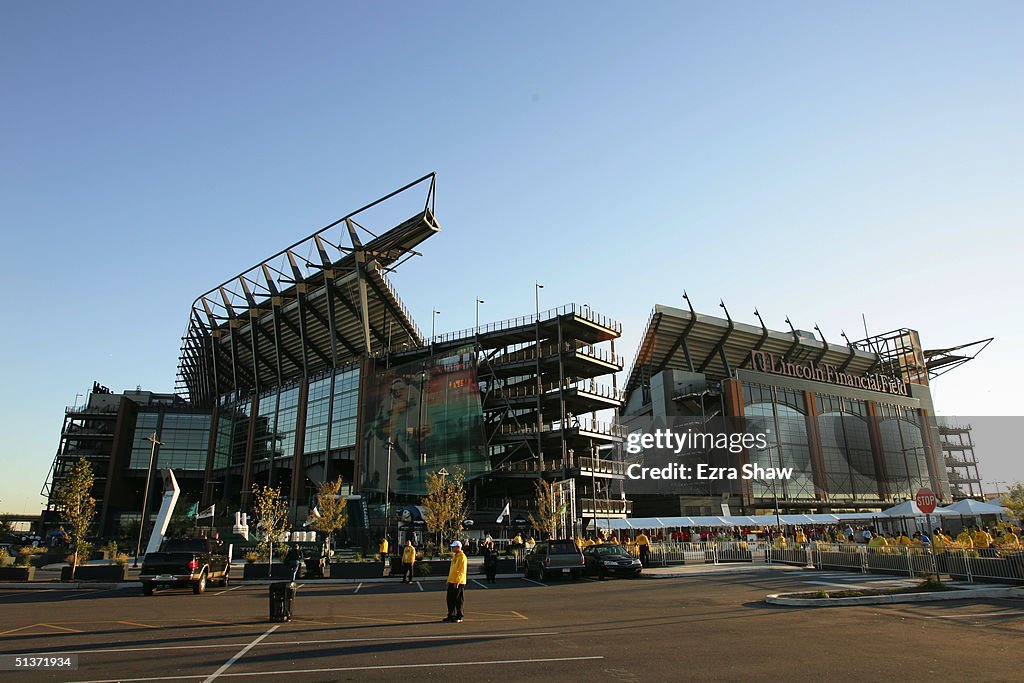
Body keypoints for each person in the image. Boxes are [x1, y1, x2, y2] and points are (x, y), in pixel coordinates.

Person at [444, 540, 468, 623]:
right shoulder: (455, 556)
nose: (452, 548)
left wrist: (457, 581)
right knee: (450, 599)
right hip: (452, 580)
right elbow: (452, 570)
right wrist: (448, 580)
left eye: (453, 547)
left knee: (458, 599)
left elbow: (461, 571)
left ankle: (459, 616)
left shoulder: (462, 557)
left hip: (458, 582)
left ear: (458, 547)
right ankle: (451, 615)